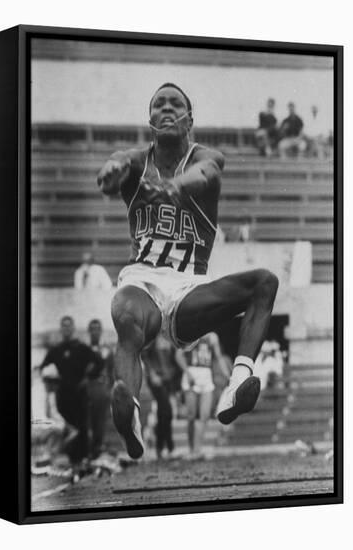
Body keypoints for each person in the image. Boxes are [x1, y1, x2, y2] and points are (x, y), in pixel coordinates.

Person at [97, 83, 279, 459]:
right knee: (128, 320)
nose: (166, 108)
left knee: (265, 282)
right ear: (149, 120)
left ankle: (239, 380)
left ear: (189, 119)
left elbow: (208, 173)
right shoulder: (135, 160)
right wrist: (110, 172)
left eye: (174, 103)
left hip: (187, 288)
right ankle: (128, 411)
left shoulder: (205, 156)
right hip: (142, 279)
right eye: (158, 104)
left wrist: (173, 188)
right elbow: (115, 164)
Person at [39, 316, 102, 464]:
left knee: (82, 426)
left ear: (73, 328)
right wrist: (49, 381)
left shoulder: (81, 348)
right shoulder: (56, 350)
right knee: (67, 426)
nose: (66, 329)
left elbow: (99, 363)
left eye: (69, 326)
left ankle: (83, 458)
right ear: (61, 329)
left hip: (79, 393)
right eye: (64, 326)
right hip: (63, 395)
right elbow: (43, 367)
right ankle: (69, 457)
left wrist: (88, 378)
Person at [176, 333, 230, 459]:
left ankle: (197, 450)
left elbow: (219, 357)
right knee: (191, 415)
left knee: (204, 415)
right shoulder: (190, 331)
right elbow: (178, 356)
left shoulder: (213, 337)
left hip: (206, 375)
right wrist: (187, 372)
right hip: (191, 372)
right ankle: (191, 448)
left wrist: (227, 374)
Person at [86, 319, 114, 458]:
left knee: (100, 421)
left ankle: (98, 449)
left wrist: (109, 389)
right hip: (87, 388)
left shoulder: (106, 351)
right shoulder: (84, 350)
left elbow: (111, 371)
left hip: (101, 387)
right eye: (92, 329)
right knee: (88, 421)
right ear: (89, 331)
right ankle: (88, 451)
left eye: (97, 329)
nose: (95, 332)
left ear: (101, 331)